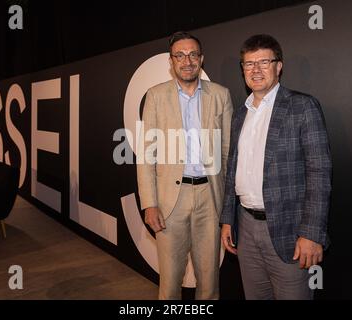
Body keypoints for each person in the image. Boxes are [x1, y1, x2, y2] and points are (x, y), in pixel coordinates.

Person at [220, 34, 332, 300]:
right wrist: (227, 220)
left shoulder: (302, 107)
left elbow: (320, 173)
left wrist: (311, 233)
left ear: (278, 66)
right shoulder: (239, 114)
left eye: (264, 62)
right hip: (245, 228)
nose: (256, 70)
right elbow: (232, 170)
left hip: (289, 231)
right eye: (249, 64)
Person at [137, 31, 233, 300]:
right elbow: (146, 155)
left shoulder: (221, 95)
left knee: (210, 281)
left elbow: (227, 152)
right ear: (171, 61)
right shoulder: (155, 96)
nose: (187, 60)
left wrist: (226, 203)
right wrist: (149, 202)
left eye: (192, 54)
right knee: (169, 282)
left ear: (201, 59)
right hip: (170, 201)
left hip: (209, 198)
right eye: (180, 55)